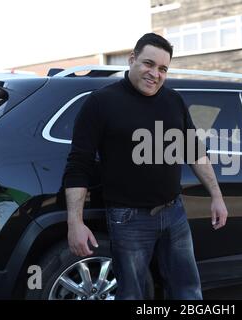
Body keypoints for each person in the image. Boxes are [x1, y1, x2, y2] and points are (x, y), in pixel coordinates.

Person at [63, 33, 228, 300]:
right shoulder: (101, 102)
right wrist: (75, 222)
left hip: (174, 213)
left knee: (188, 290)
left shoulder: (173, 101)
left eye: (163, 68)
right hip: (128, 219)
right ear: (132, 60)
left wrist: (217, 196)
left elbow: (194, 151)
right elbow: (78, 164)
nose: (155, 74)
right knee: (132, 294)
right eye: (148, 64)